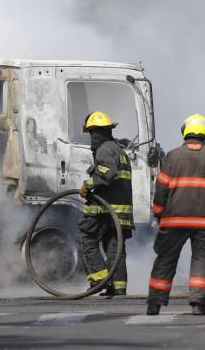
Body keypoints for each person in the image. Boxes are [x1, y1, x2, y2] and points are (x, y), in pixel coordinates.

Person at [147, 114, 205, 316]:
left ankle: (154, 303)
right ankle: (198, 303)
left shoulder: (172, 157)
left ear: (185, 132)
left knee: (165, 259)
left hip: (174, 220)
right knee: (201, 260)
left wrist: (158, 213)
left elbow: (161, 190)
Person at [77, 111, 133, 297]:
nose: (92, 138)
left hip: (104, 210)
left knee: (86, 239)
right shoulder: (118, 149)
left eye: (92, 133)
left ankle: (99, 280)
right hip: (120, 212)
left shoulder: (104, 149)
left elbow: (107, 172)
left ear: (96, 133)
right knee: (114, 249)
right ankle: (118, 288)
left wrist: (88, 185)